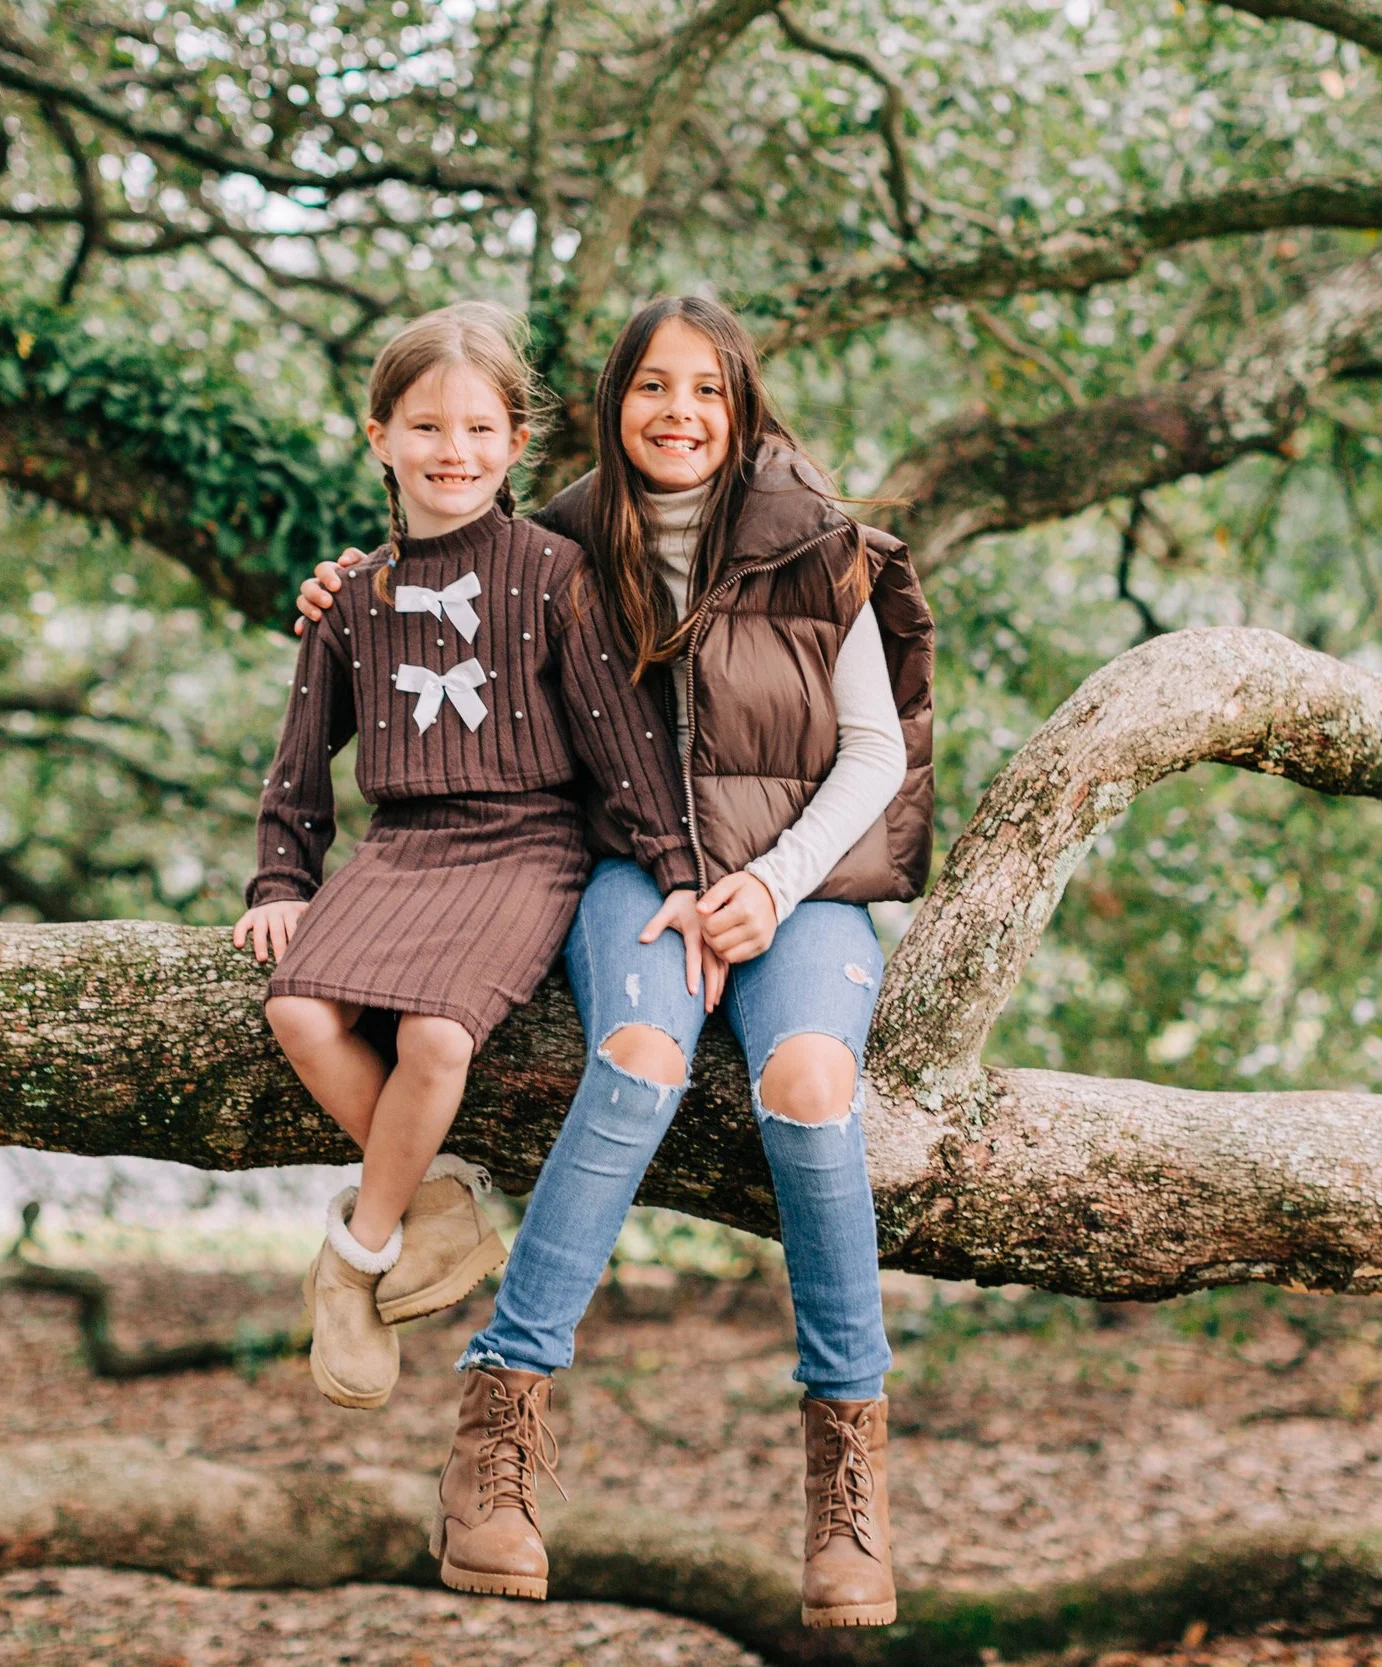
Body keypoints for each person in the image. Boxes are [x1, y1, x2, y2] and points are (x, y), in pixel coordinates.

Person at [293, 295, 934, 1627]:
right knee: (639, 1059)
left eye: (707, 389)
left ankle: (846, 1473)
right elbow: (437, 571)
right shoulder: (569, 538)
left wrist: (768, 883)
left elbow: (875, 751)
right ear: (611, 405)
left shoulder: (825, 548)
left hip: (801, 880)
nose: (680, 412)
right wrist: (343, 584)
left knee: (811, 1088)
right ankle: (500, 1429)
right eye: (653, 387)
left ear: (742, 405)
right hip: (634, 867)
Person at [235, 302, 697, 1431]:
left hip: (525, 842)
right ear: (378, 435)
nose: (456, 452)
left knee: (438, 1033)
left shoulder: (557, 572)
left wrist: (675, 869)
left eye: (482, 429)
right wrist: (281, 882)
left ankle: (354, 1256)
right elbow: (300, 761)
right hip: (403, 848)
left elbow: (620, 739)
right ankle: (436, 1197)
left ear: (517, 442)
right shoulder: (348, 598)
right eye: (428, 427)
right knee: (297, 1009)